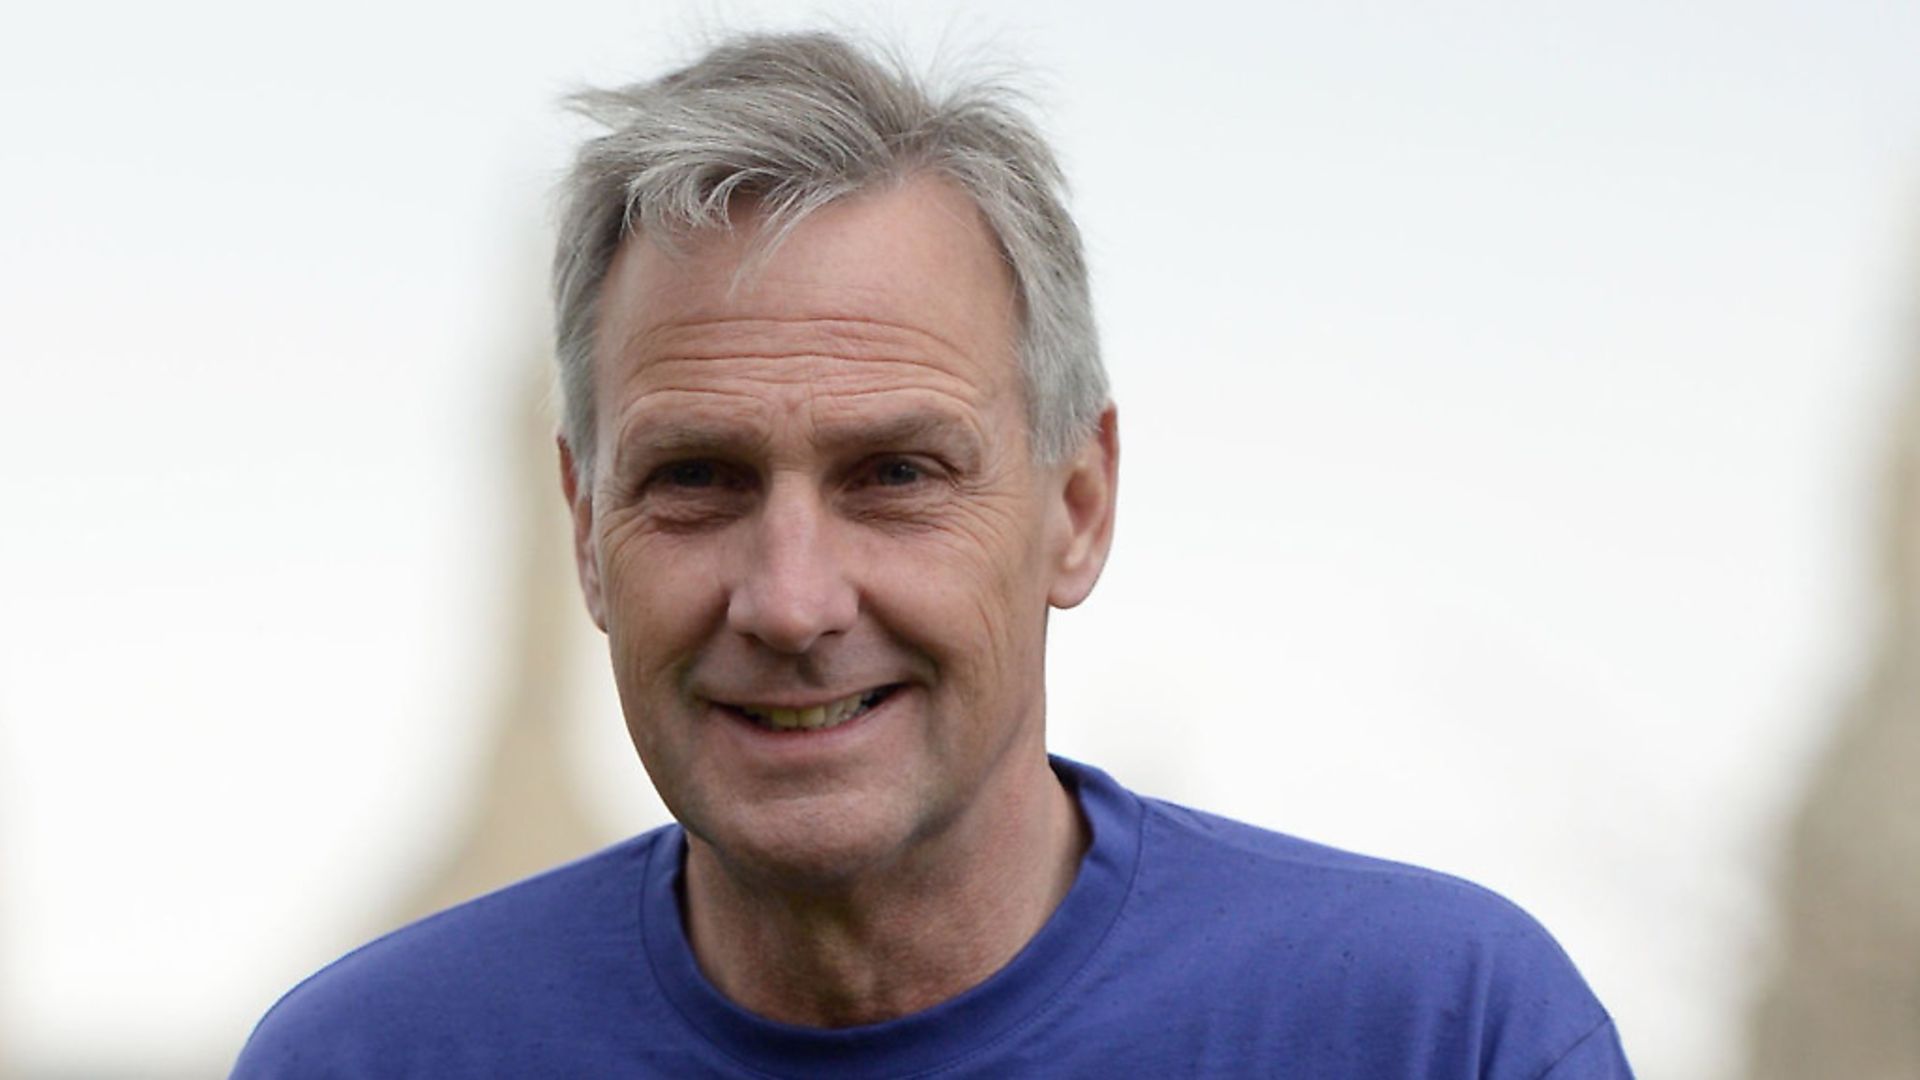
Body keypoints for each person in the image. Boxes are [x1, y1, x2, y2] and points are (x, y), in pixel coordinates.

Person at [232, 31, 1633, 1078]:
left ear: (1076, 505)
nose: (790, 601)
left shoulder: (1434, 1035)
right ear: (586, 535)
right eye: (697, 479)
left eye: (896, 475)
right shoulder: (371, 1061)